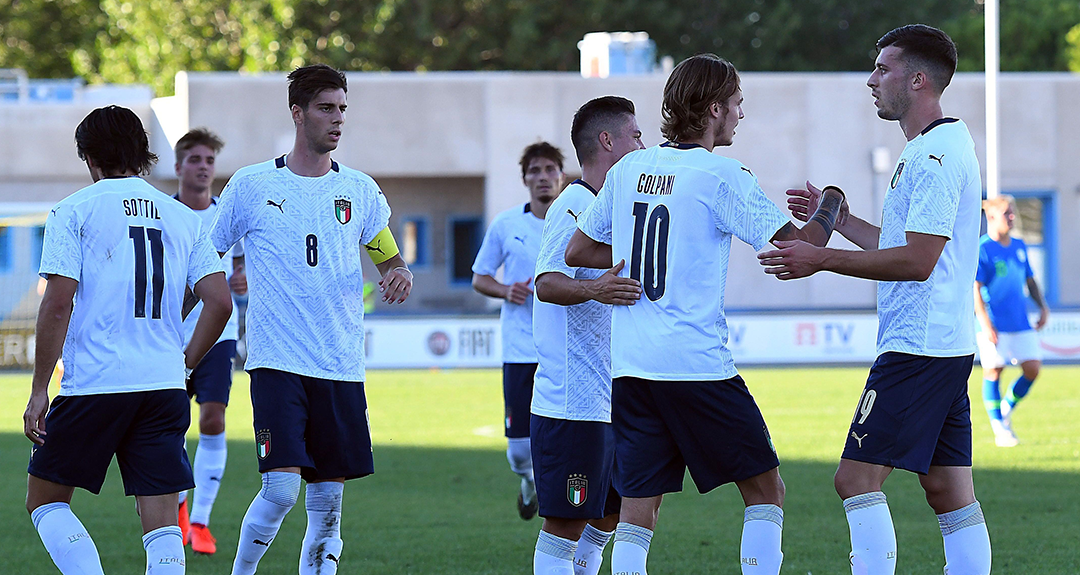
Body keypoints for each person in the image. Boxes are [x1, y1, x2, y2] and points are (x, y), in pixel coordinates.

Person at [565, 54, 844, 575]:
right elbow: (798, 250)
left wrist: (641, 259)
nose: (740, 114)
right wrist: (833, 203)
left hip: (631, 366)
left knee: (637, 509)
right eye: (737, 103)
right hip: (695, 364)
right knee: (765, 491)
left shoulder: (629, 168)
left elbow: (579, 251)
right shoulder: (722, 174)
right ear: (714, 107)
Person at [758, 24, 991, 575]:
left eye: (883, 69)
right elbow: (900, 244)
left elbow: (917, 262)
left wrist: (818, 258)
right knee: (947, 490)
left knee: (855, 479)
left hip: (918, 348)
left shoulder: (934, 156)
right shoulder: (932, 147)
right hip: (942, 345)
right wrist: (837, 219)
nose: (871, 80)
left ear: (917, 80)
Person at [210, 64, 413, 575]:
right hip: (276, 362)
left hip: (340, 365)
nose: (338, 119)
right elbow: (205, 255)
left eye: (343, 108)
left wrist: (399, 274)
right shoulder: (251, 185)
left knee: (327, 507)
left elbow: (387, 256)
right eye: (326, 108)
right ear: (297, 113)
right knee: (279, 490)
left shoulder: (361, 191)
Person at [23, 105, 232, 575]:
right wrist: (184, 366)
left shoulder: (73, 210)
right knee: (161, 528)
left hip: (96, 384)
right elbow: (218, 301)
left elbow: (58, 304)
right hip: (162, 386)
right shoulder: (184, 218)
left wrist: (39, 390)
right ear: (142, 153)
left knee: (45, 501)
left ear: (90, 158)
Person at [530, 96, 644, 575]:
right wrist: (596, 287)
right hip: (570, 403)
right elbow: (546, 282)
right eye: (635, 135)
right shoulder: (573, 204)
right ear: (608, 141)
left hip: (608, 399)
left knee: (611, 514)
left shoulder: (607, 207)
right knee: (566, 524)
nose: (643, 143)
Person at [472, 141, 566, 520]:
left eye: (550, 170)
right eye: (535, 171)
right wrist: (505, 289)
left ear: (562, 176)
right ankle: (529, 483)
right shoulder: (507, 224)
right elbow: (480, 277)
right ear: (525, 179)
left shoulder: (579, 220)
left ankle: (560, 503)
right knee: (518, 451)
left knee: (568, 436)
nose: (543, 177)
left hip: (564, 349)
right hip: (520, 349)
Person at [172, 128, 249, 553]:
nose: (203, 167)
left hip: (219, 334)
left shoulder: (228, 218)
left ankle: (200, 521)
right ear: (179, 166)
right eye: (195, 160)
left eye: (209, 161)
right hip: (170, 335)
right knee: (171, 424)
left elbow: (243, 276)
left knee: (213, 420)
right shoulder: (164, 214)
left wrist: (242, 282)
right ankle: (179, 508)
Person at [974, 195, 1049, 447]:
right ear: (992, 217)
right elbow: (975, 288)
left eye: (1013, 212)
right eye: (1007, 213)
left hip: (1020, 322)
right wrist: (985, 322)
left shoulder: (1019, 245)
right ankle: (999, 427)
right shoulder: (983, 248)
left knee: (1033, 369)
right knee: (994, 370)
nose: (1012, 217)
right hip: (994, 323)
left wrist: (1043, 306)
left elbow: (1029, 279)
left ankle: (1006, 407)